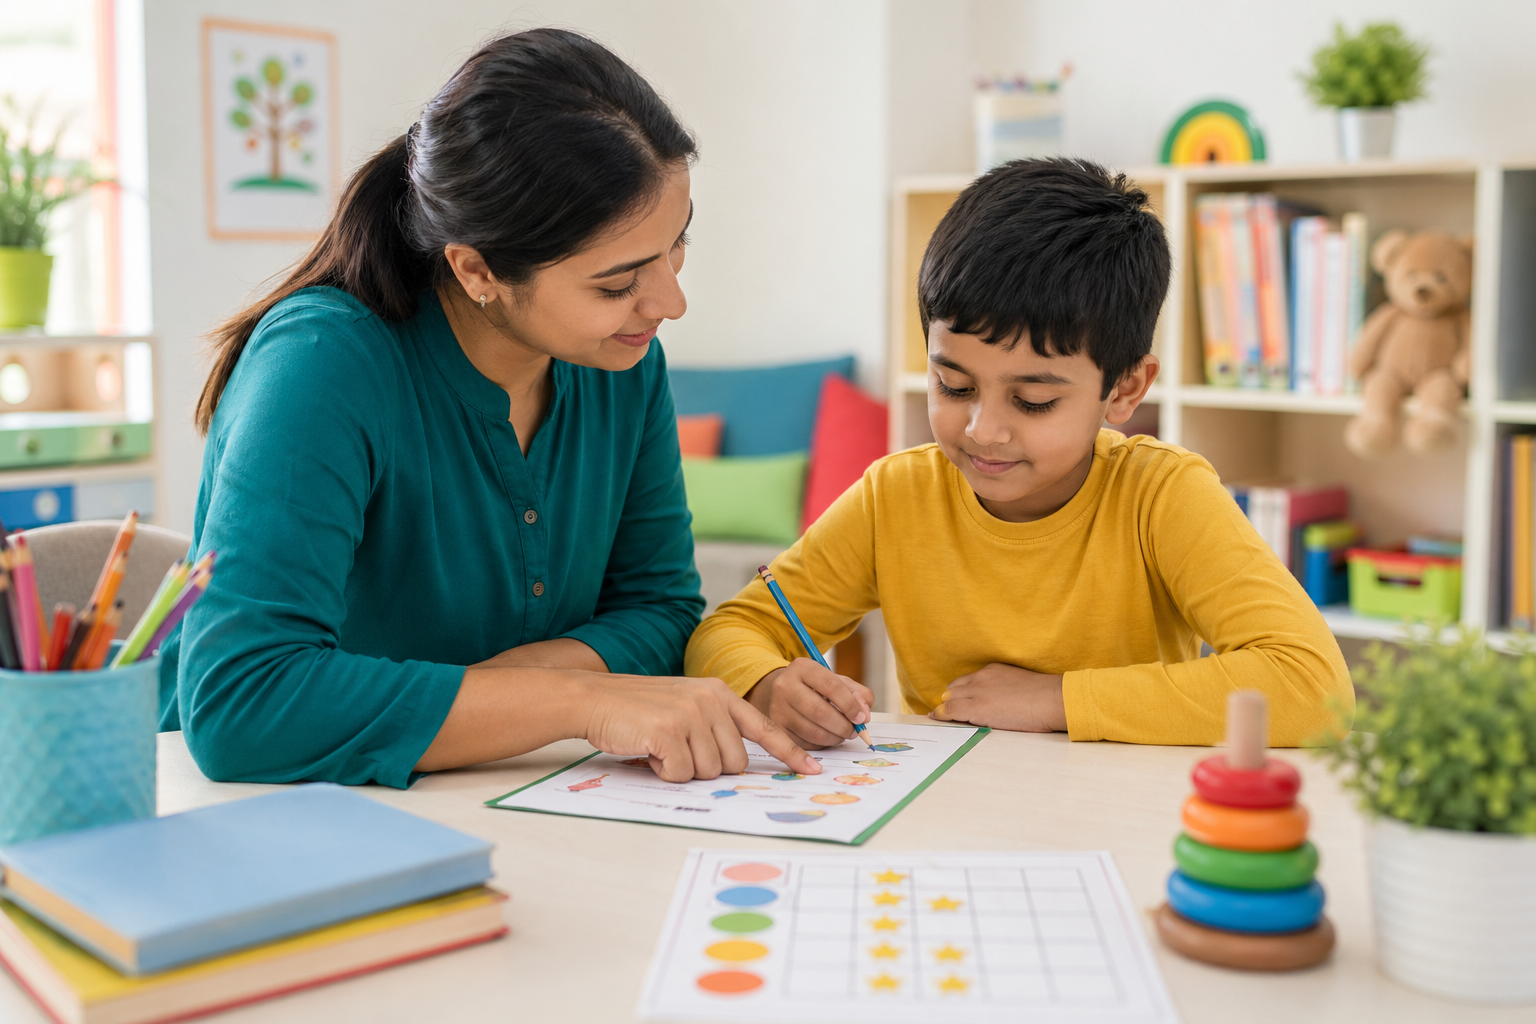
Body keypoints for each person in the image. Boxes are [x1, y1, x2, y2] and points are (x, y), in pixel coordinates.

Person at [163, 28, 818, 788]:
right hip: (255, 819)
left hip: (497, 795)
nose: (671, 302)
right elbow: (242, 704)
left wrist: (517, 695)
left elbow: (662, 610)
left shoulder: (624, 364)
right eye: (616, 283)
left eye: (677, 246)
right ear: (476, 268)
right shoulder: (322, 366)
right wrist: (577, 700)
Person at [685, 158, 1355, 749]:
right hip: (946, 813)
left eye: (1033, 401)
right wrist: (767, 681)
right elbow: (730, 630)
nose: (983, 430)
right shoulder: (897, 497)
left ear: (1124, 389)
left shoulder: (1162, 496)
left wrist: (1059, 699)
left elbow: (1312, 687)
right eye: (953, 385)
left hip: (1113, 821)